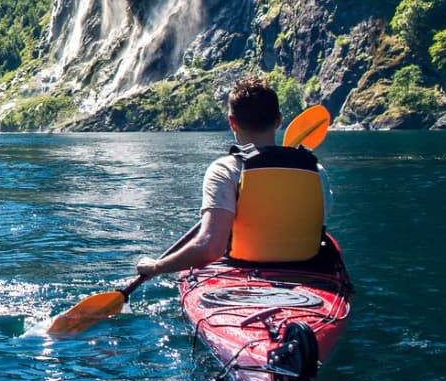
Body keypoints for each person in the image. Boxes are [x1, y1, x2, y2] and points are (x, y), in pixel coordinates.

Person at [136, 76, 332, 278]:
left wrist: (157, 267)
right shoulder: (315, 169)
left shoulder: (225, 170)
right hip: (310, 273)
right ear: (279, 120)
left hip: (243, 271)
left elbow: (210, 248)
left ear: (232, 123)